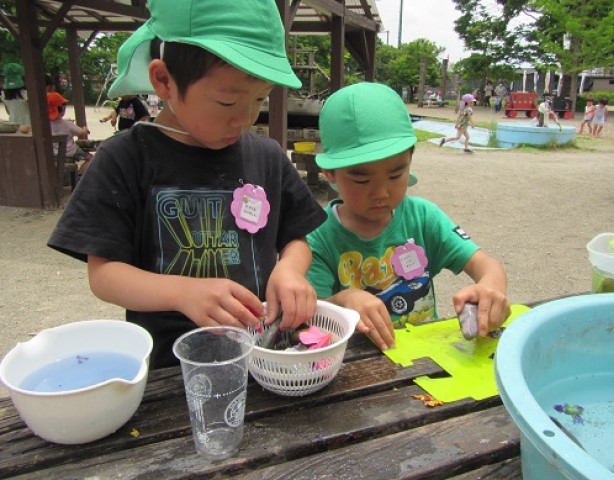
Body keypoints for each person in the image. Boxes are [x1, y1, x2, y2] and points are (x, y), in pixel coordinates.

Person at [47, 0, 327, 369]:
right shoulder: (125, 158)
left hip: (259, 357)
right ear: (164, 80)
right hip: (169, 367)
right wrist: (183, 292)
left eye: (259, 99)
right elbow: (104, 274)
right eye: (227, 102)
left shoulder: (267, 157)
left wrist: (289, 268)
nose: (245, 118)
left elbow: (296, 237)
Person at [306, 83, 510, 351]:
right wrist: (342, 300)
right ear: (330, 174)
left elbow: (485, 264)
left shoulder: (422, 217)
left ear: (410, 162)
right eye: (362, 180)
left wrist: (491, 288)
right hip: (357, 364)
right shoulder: (317, 238)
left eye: (395, 175)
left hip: (425, 359)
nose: (381, 193)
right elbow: (310, 315)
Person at [48, 92, 93, 174]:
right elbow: (82, 133)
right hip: (71, 153)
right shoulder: (68, 124)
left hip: (52, 155)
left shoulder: (43, 126)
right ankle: (80, 175)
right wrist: (85, 129)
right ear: (61, 109)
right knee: (91, 159)